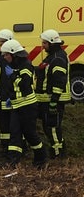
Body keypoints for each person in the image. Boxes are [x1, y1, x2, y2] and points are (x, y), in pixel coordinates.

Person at [0, 39, 48, 168]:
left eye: (6, 55)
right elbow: (14, 87)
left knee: (30, 134)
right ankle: (13, 160)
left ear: (13, 54)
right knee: (14, 132)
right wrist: (11, 97)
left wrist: (12, 76)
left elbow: (25, 84)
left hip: (28, 106)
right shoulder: (15, 66)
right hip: (17, 105)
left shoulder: (26, 65)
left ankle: (41, 158)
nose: (4, 57)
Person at [35, 29, 71, 159]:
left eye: (44, 43)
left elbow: (59, 81)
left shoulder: (57, 58)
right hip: (47, 99)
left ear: (51, 43)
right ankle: (57, 152)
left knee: (52, 127)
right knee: (49, 127)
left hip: (53, 99)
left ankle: (58, 154)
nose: (42, 45)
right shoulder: (54, 56)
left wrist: (54, 102)